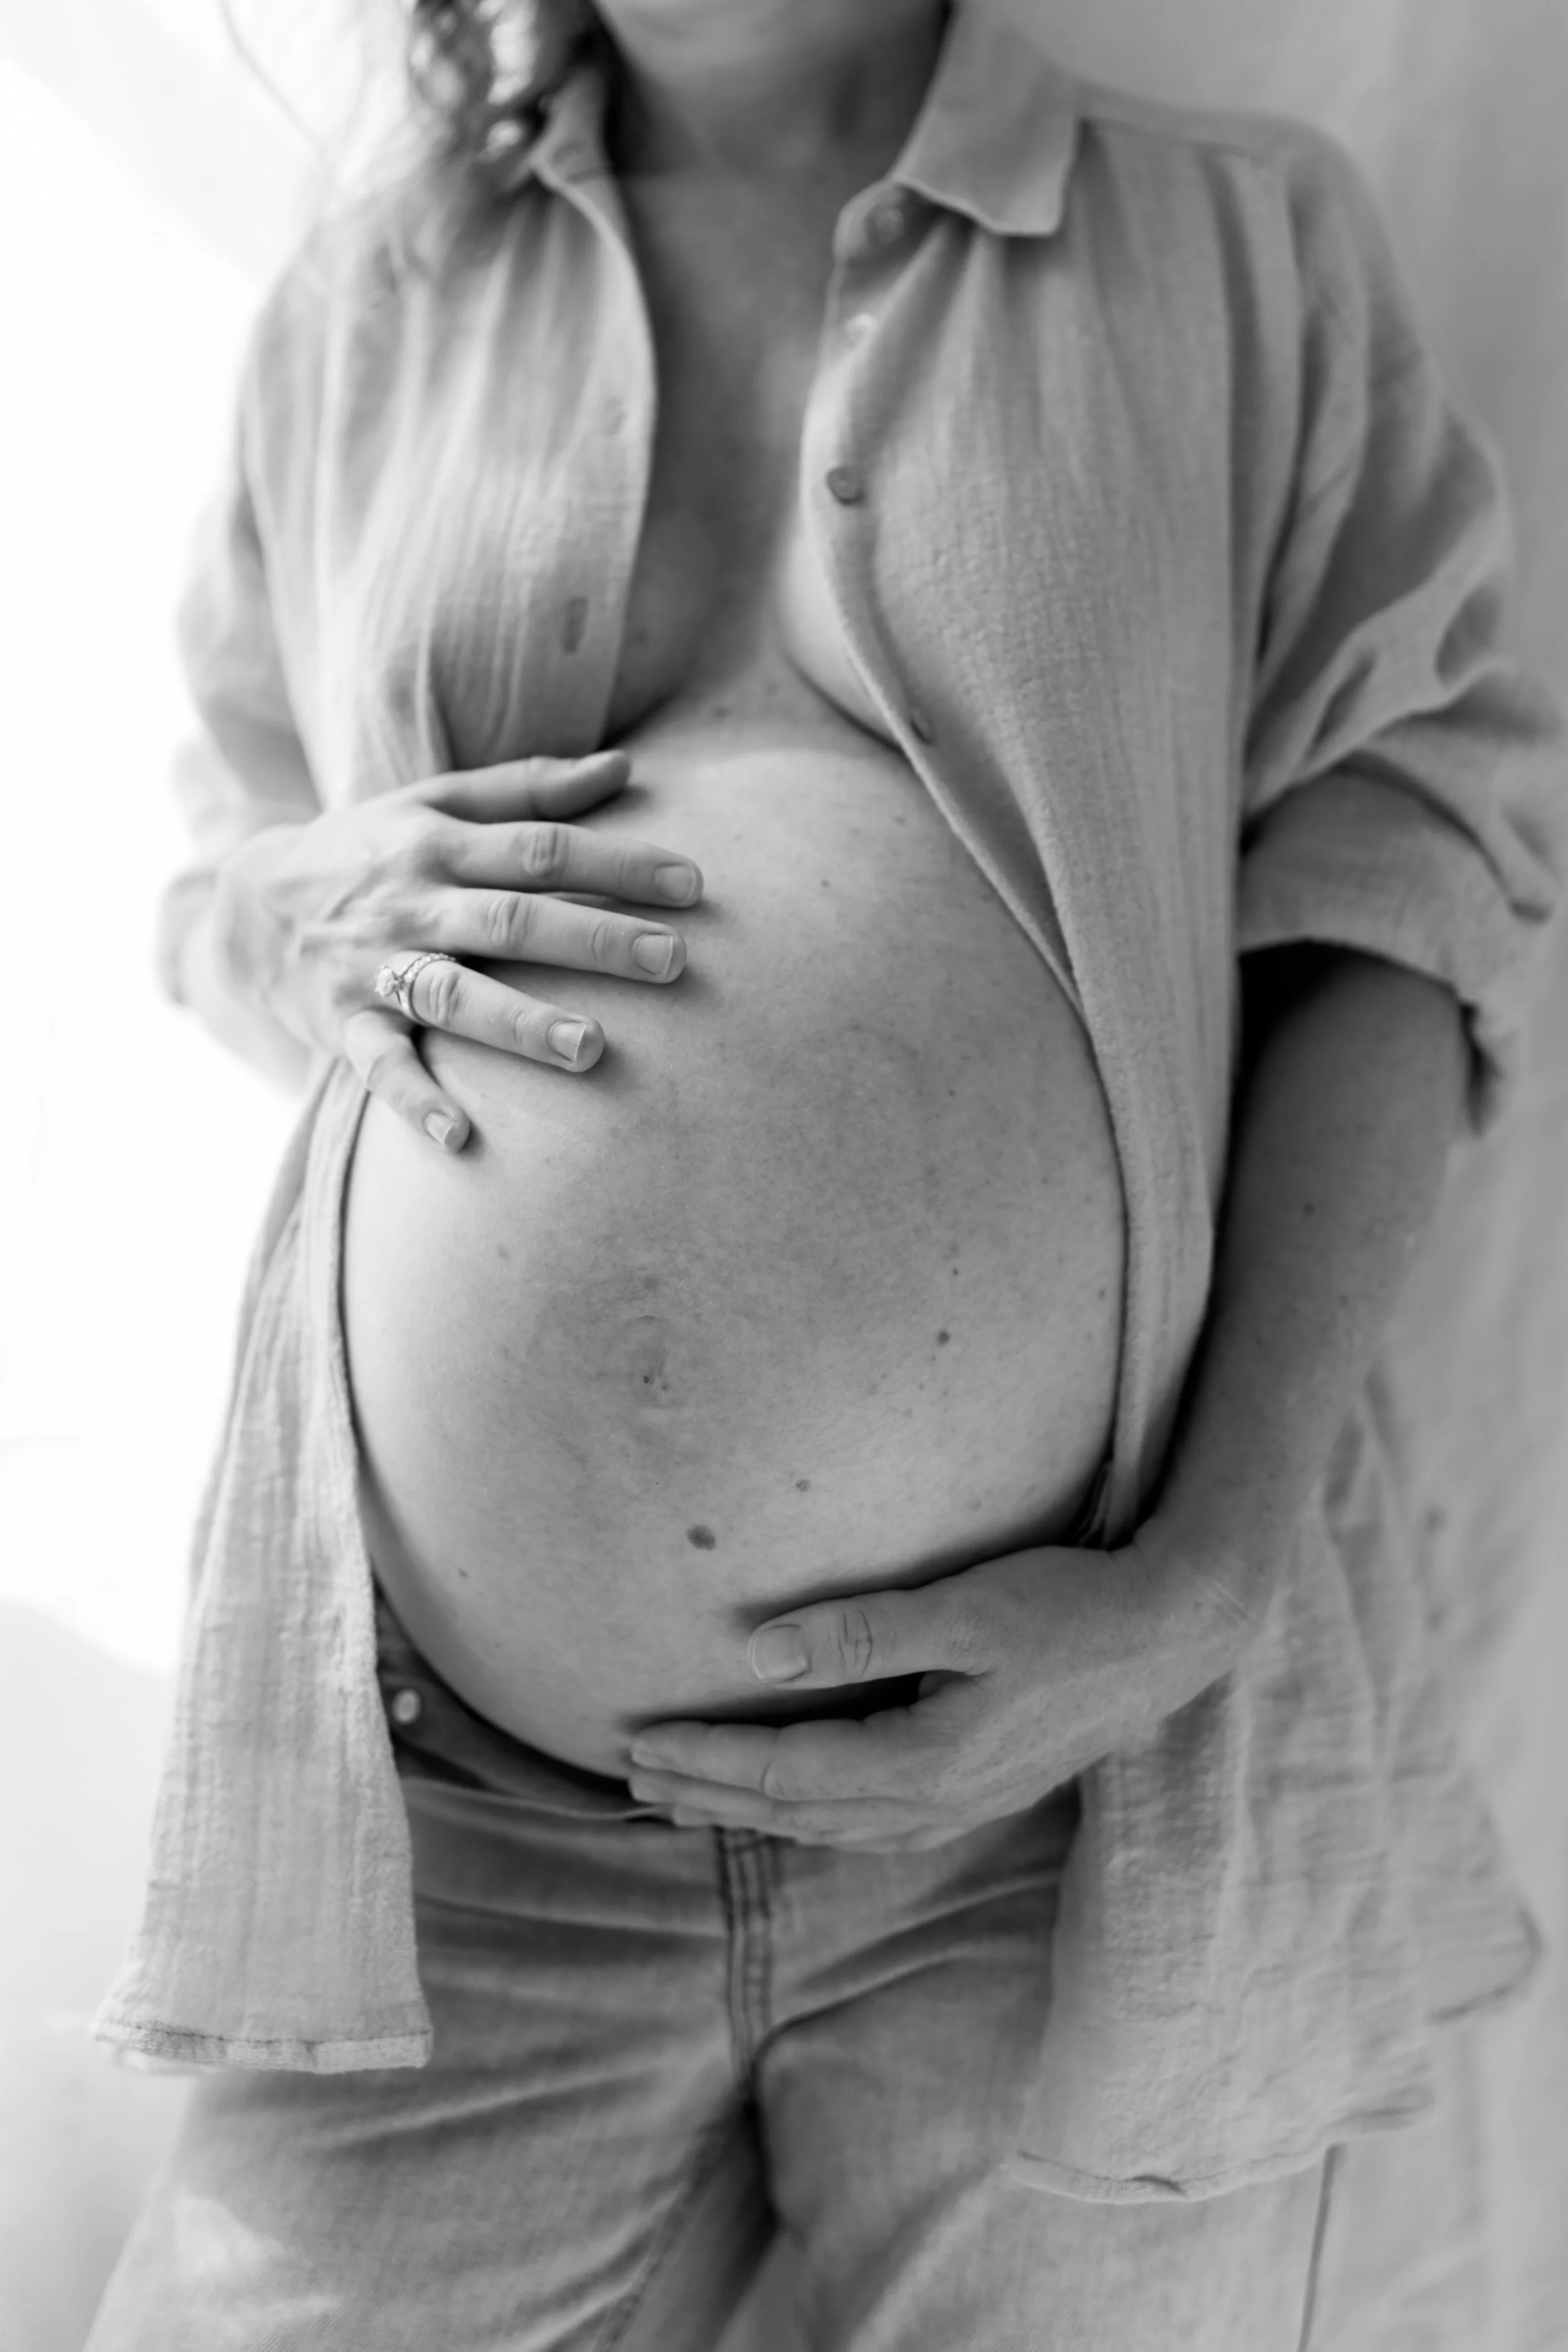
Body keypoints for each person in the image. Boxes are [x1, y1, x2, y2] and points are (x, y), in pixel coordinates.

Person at [88, 1, 1562, 2344]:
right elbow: (221, 881)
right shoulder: (368, 307)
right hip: (454, 1826)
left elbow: (1404, 880)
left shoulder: (1222, 239)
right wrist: (287, 907)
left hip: (1069, 1806)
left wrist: (1202, 1573)